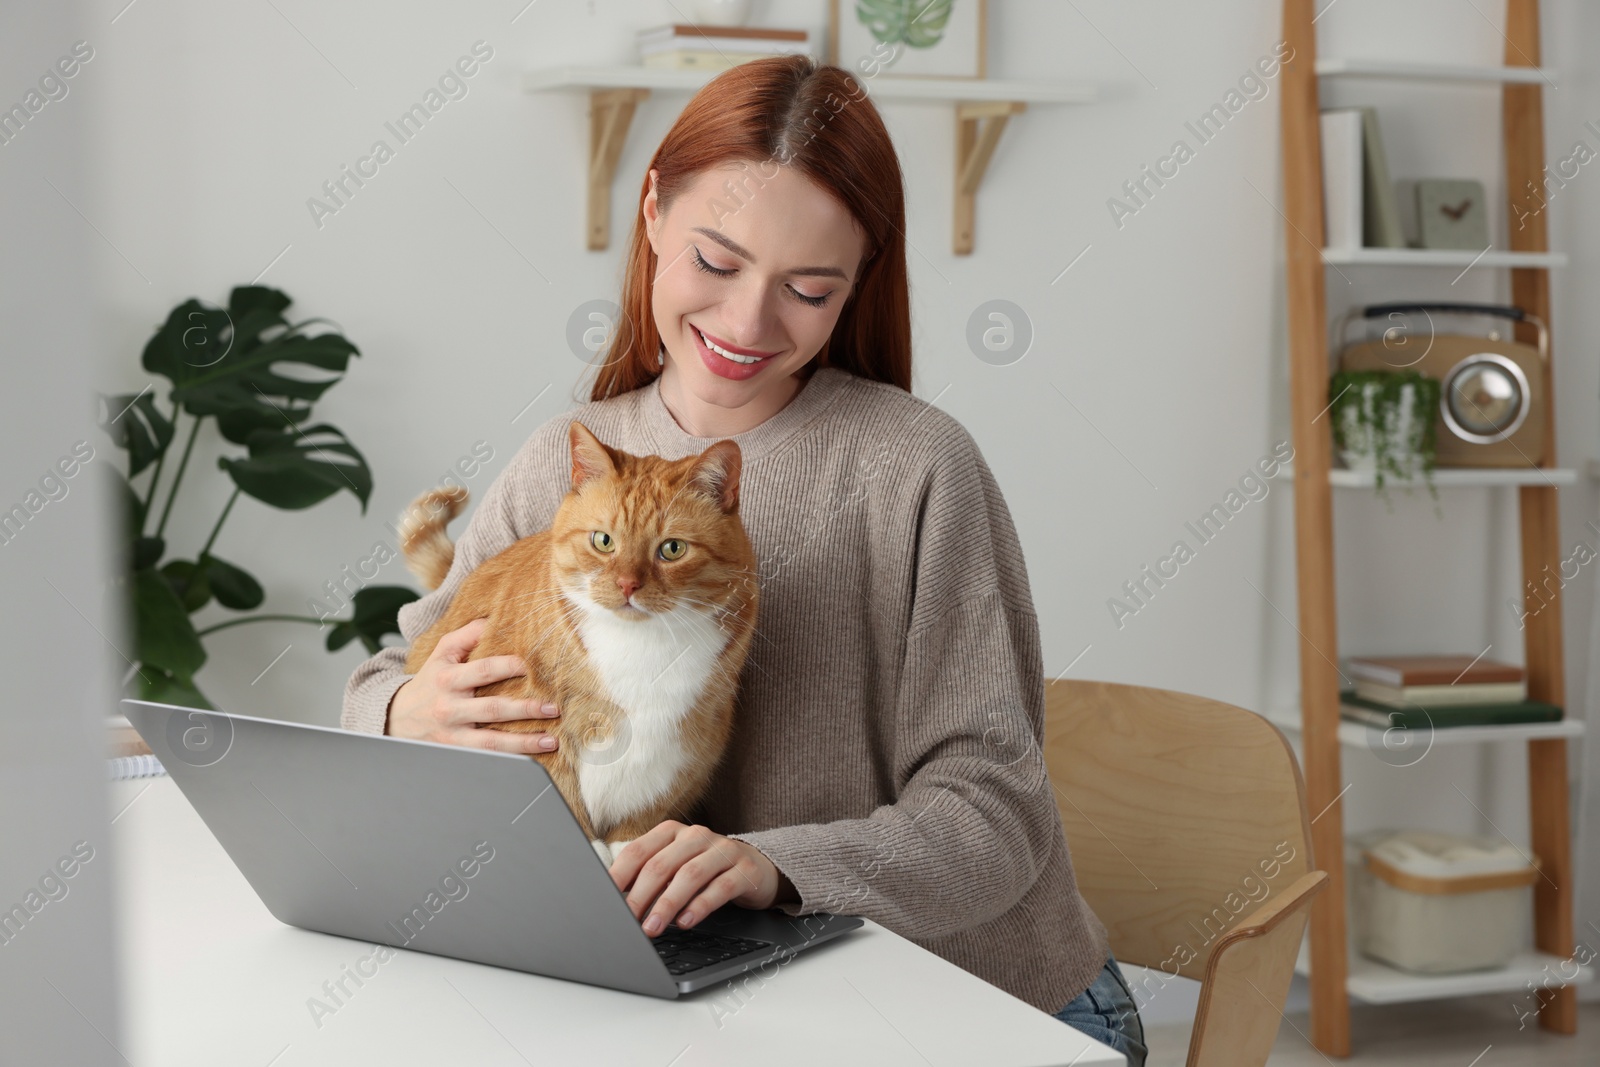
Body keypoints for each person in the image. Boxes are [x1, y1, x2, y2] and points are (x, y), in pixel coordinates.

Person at [341, 55, 1145, 1065]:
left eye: (808, 288)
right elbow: (391, 668)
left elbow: (995, 815)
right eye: (716, 263)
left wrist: (771, 864)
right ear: (652, 213)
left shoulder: (915, 465)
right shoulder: (570, 460)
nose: (747, 324)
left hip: (983, 1005)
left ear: (859, 283)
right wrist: (402, 710)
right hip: (733, 997)